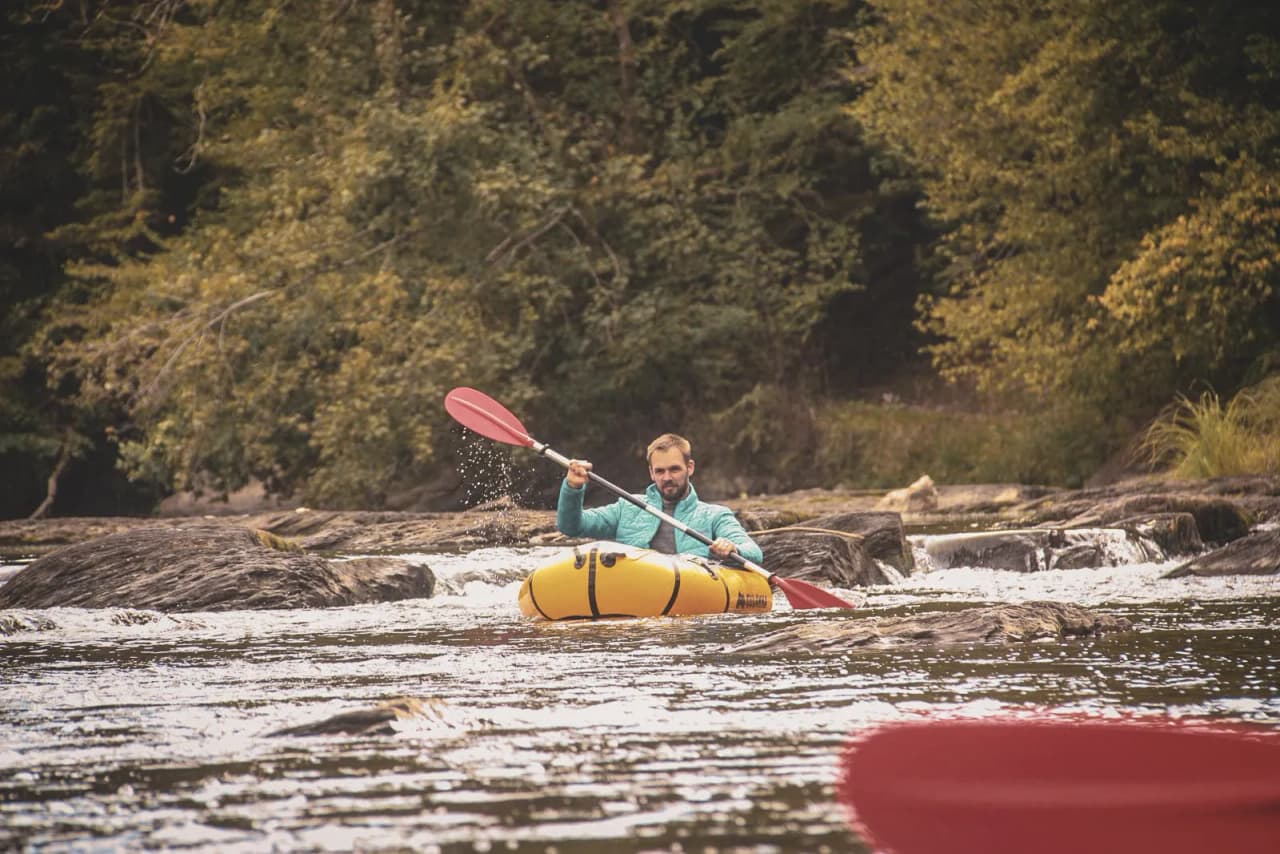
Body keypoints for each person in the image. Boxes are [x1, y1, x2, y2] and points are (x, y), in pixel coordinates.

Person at [556, 433, 763, 563]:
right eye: (660, 471)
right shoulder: (627, 507)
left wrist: (732, 548)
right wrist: (573, 487)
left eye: (674, 469)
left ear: (690, 468)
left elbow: (754, 553)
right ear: (651, 473)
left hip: (688, 604)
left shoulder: (715, 515)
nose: (667, 478)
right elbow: (572, 526)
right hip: (636, 597)